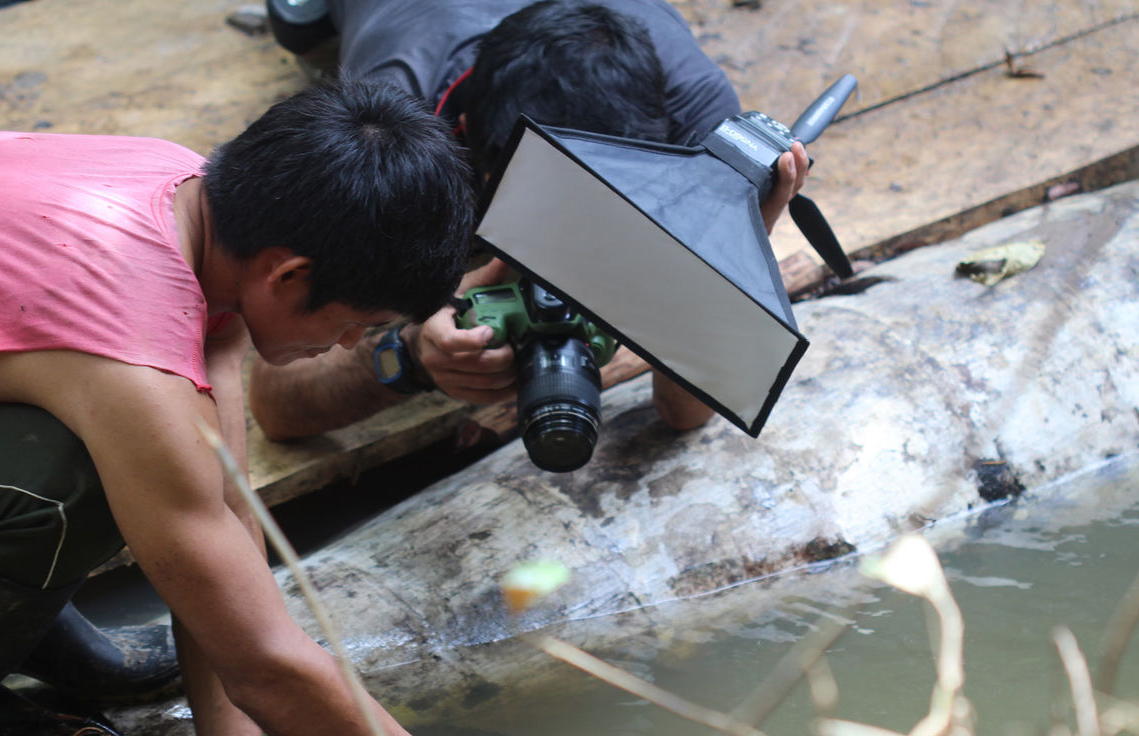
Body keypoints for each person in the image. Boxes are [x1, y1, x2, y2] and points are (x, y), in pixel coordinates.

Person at [0, 78, 594, 736]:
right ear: (287, 277)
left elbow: (224, 512)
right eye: (359, 323)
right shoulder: (129, 352)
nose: (353, 344)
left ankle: (12, 630)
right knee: (78, 479)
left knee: (150, 467)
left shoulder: (190, 192)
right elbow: (263, 663)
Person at [250, 0, 809, 441]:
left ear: (652, 144)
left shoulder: (695, 125)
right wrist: (407, 354)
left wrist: (729, 249)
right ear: (463, 132)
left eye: (600, 217)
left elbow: (685, 415)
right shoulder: (388, 146)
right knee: (301, 27)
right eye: (540, 214)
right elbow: (275, 405)